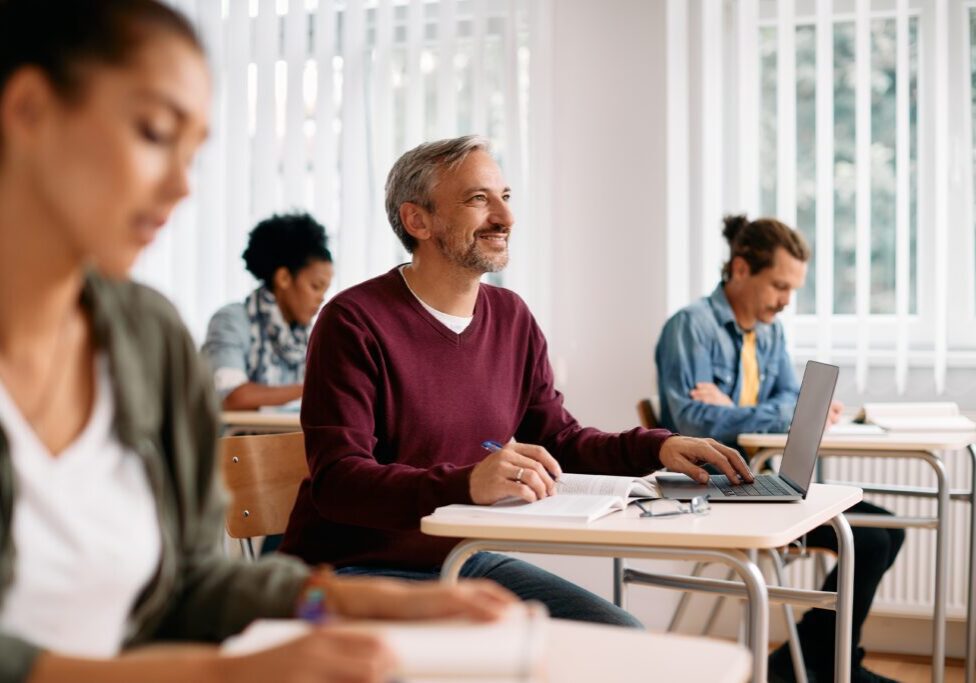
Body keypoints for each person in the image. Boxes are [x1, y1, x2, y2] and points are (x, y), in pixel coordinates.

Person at [0, 3, 516, 682]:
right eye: (155, 132)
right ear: (31, 109)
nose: (182, 185)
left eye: (194, 153)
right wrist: (212, 674)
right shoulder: (318, 324)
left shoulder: (146, 334)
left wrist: (342, 597)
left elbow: (194, 582)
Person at [279, 135, 754, 628]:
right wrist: (468, 483)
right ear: (417, 220)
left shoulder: (512, 317)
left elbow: (558, 439)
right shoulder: (352, 321)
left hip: (461, 558)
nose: (505, 218)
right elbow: (338, 482)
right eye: (478, 199)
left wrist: (659, 448)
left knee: (619, 634)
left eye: (505, 198)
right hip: (352, 571)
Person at [655, 215, 904, 683]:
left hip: (759, 481)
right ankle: (825, 663)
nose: (787, 301)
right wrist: (768, 412)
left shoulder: (769, 332)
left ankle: (812, 659)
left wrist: (737, 408)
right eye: (779, 286)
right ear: (742, 269)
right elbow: (690, 422)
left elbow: (789, 398)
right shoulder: (691, 327)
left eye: (793, 289)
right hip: (713, 491)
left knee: (887, 532)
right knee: (868, 540)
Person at [202, 212, 333, 411]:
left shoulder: (307, 336)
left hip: (287, 440)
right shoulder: (231, 320)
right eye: (315, 286)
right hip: (236, 441)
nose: (321, 298)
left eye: (325, 290)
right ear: (284, 278)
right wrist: (315, 389)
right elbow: (232, 396)